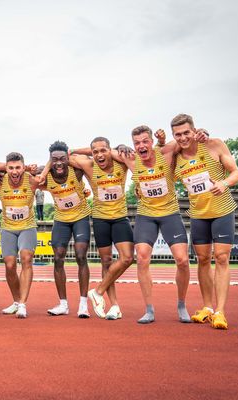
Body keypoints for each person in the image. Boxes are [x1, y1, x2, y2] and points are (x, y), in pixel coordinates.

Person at [111, 125, 206, 324]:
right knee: (143, 258)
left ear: (151, 142)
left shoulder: (167, 152)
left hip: (170, 213)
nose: (141, 146)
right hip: (146, 215)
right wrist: (119, 146)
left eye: (145, 141)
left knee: (182, 260)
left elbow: (186, 140)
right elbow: (102, 149)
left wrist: (201, 133)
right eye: (137, 143)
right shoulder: (130, 158)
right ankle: (149, 309)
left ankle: (181, 304)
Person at [169, 114, 238, 330]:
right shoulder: (176, 156)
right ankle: (208, 307)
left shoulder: (214, 145)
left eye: (186, 133)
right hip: (199, 214)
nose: (182, 138)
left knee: (221, 258)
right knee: (202, 259)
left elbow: (236, 172)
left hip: (222, 210)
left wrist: (224, 183)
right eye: (178, 134)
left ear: (194, 130)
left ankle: (220, 311)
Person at [69, 137, 134, 320]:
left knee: (127, 258)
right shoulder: (89, 166)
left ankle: (97, 291)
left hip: (120, 217)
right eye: (95, 151)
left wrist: (117, 149)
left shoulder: (121, 163)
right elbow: (69, 155)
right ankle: (114, 306)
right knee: (106, 261)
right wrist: (78, 149)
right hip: (100, 219)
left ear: (110, 150)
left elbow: (130, 156)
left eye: (103, 150)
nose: (99, 154)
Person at [39, 141, 92, 318]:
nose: (59, 163)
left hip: (80, 217)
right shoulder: (45, 176)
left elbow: (92, 155)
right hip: (61, 219)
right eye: (54, 160)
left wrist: (74, 151)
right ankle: (63, 304)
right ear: (49, 160)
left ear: (68, 158)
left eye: (63, 158)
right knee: (58, 257)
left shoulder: (76, 170)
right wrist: (45, 168)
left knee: (80, 255)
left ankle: (83, 304)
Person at [0, 152, 40, 318]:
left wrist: (36, 169)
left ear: (23, 168)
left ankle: (23, 304)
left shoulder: (30, 179)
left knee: (26, 258)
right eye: (11, 168)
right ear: (6, 168)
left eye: (18, 167)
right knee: (9, 265)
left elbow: (49, 169)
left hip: (27, 227)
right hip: (8, 228)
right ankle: (16, 301)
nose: (15, 171)